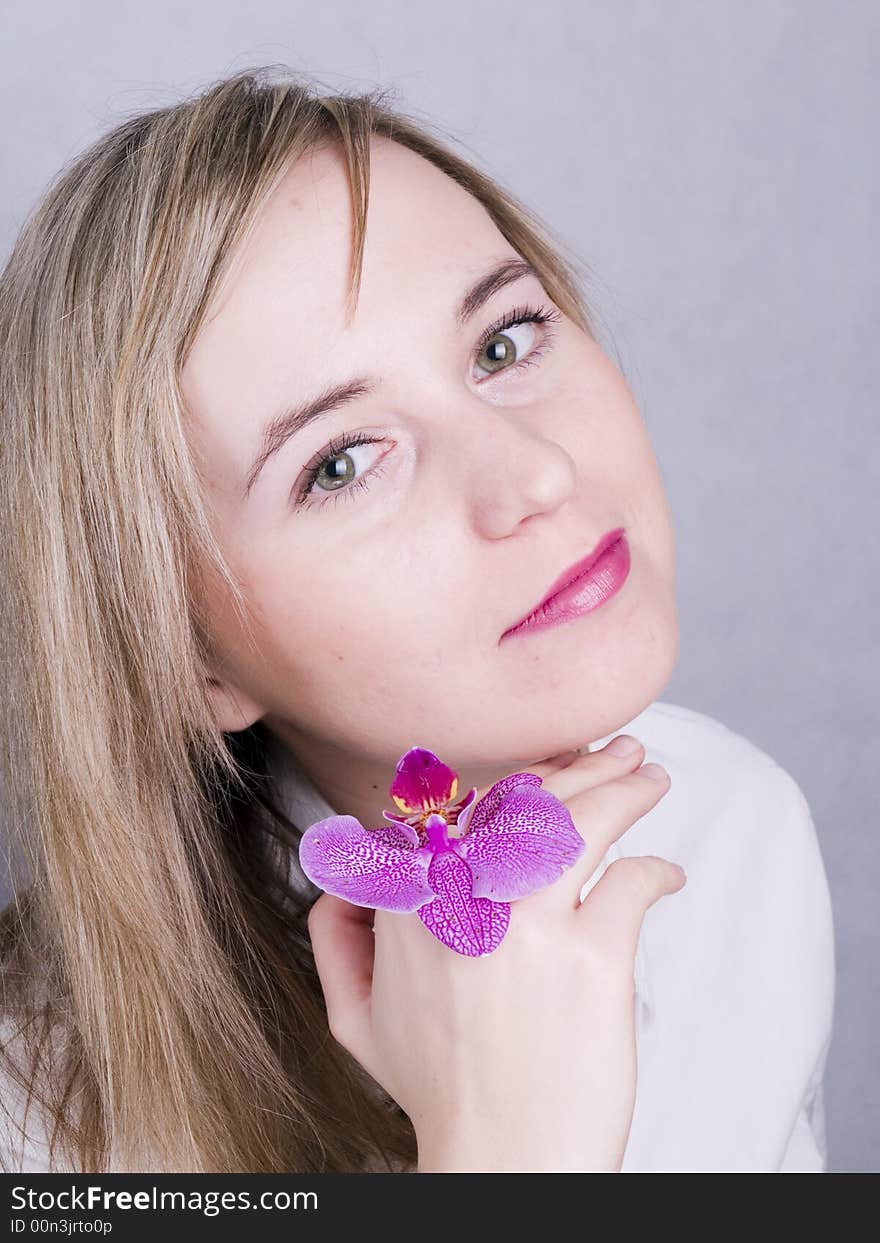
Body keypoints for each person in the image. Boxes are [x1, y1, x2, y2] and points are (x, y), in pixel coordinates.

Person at [0, 65, 834, 1174]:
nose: (532, 474)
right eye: (339, 463)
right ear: (188, 663)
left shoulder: (733, 833)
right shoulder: (34, 1115)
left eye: (502, 343)